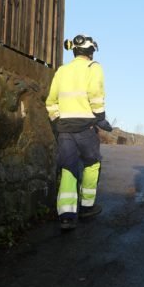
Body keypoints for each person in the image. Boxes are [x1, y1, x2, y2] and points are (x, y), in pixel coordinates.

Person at [46, 35, 112, 231]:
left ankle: (66, 216)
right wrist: (100, 118)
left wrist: (58, 120)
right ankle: (86, 207)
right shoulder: (94, 68)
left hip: (64, 129)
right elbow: (95, 95)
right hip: (86, 128)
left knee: (68, 168)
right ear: (91, 52)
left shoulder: (62, 70)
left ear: (74, 51)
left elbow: (51, 101)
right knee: (92, 163)